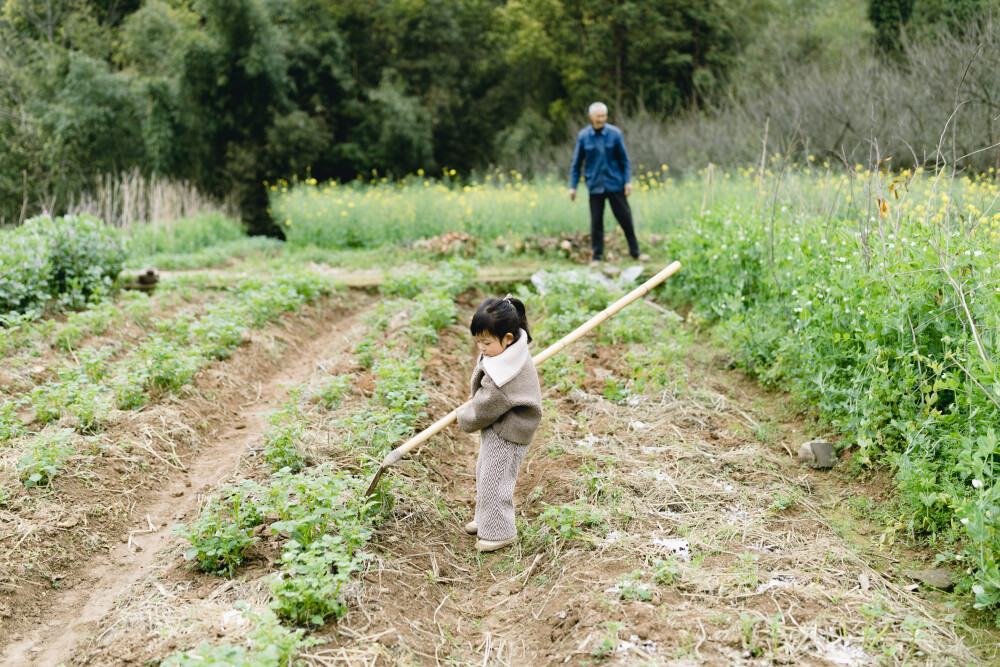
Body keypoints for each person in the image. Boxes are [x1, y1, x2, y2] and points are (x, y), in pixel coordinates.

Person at [457, 295, 542, 552]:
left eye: (486, 342)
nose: (481, 348)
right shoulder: (505, 350)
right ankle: (485, 519)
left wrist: (466, 413)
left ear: (507, 338)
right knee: (484, 471)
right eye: (478, 342)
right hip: (500, 423)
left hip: (510, 430)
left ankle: (500, 532)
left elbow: (485, 409)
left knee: (496, 479)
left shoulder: (504, 376)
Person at [569, 102, 650, 266]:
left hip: (615, 184)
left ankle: (635, 252)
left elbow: (624, 160)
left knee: (625, 218)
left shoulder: (615, 134)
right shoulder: (583, 136)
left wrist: (628, 182)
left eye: (603, 116)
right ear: (590, 117)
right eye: (598, 116)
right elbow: (576, 163)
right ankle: (596, 257)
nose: (601, 119)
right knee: (596, 222)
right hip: (595, 185)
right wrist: (573, 186)